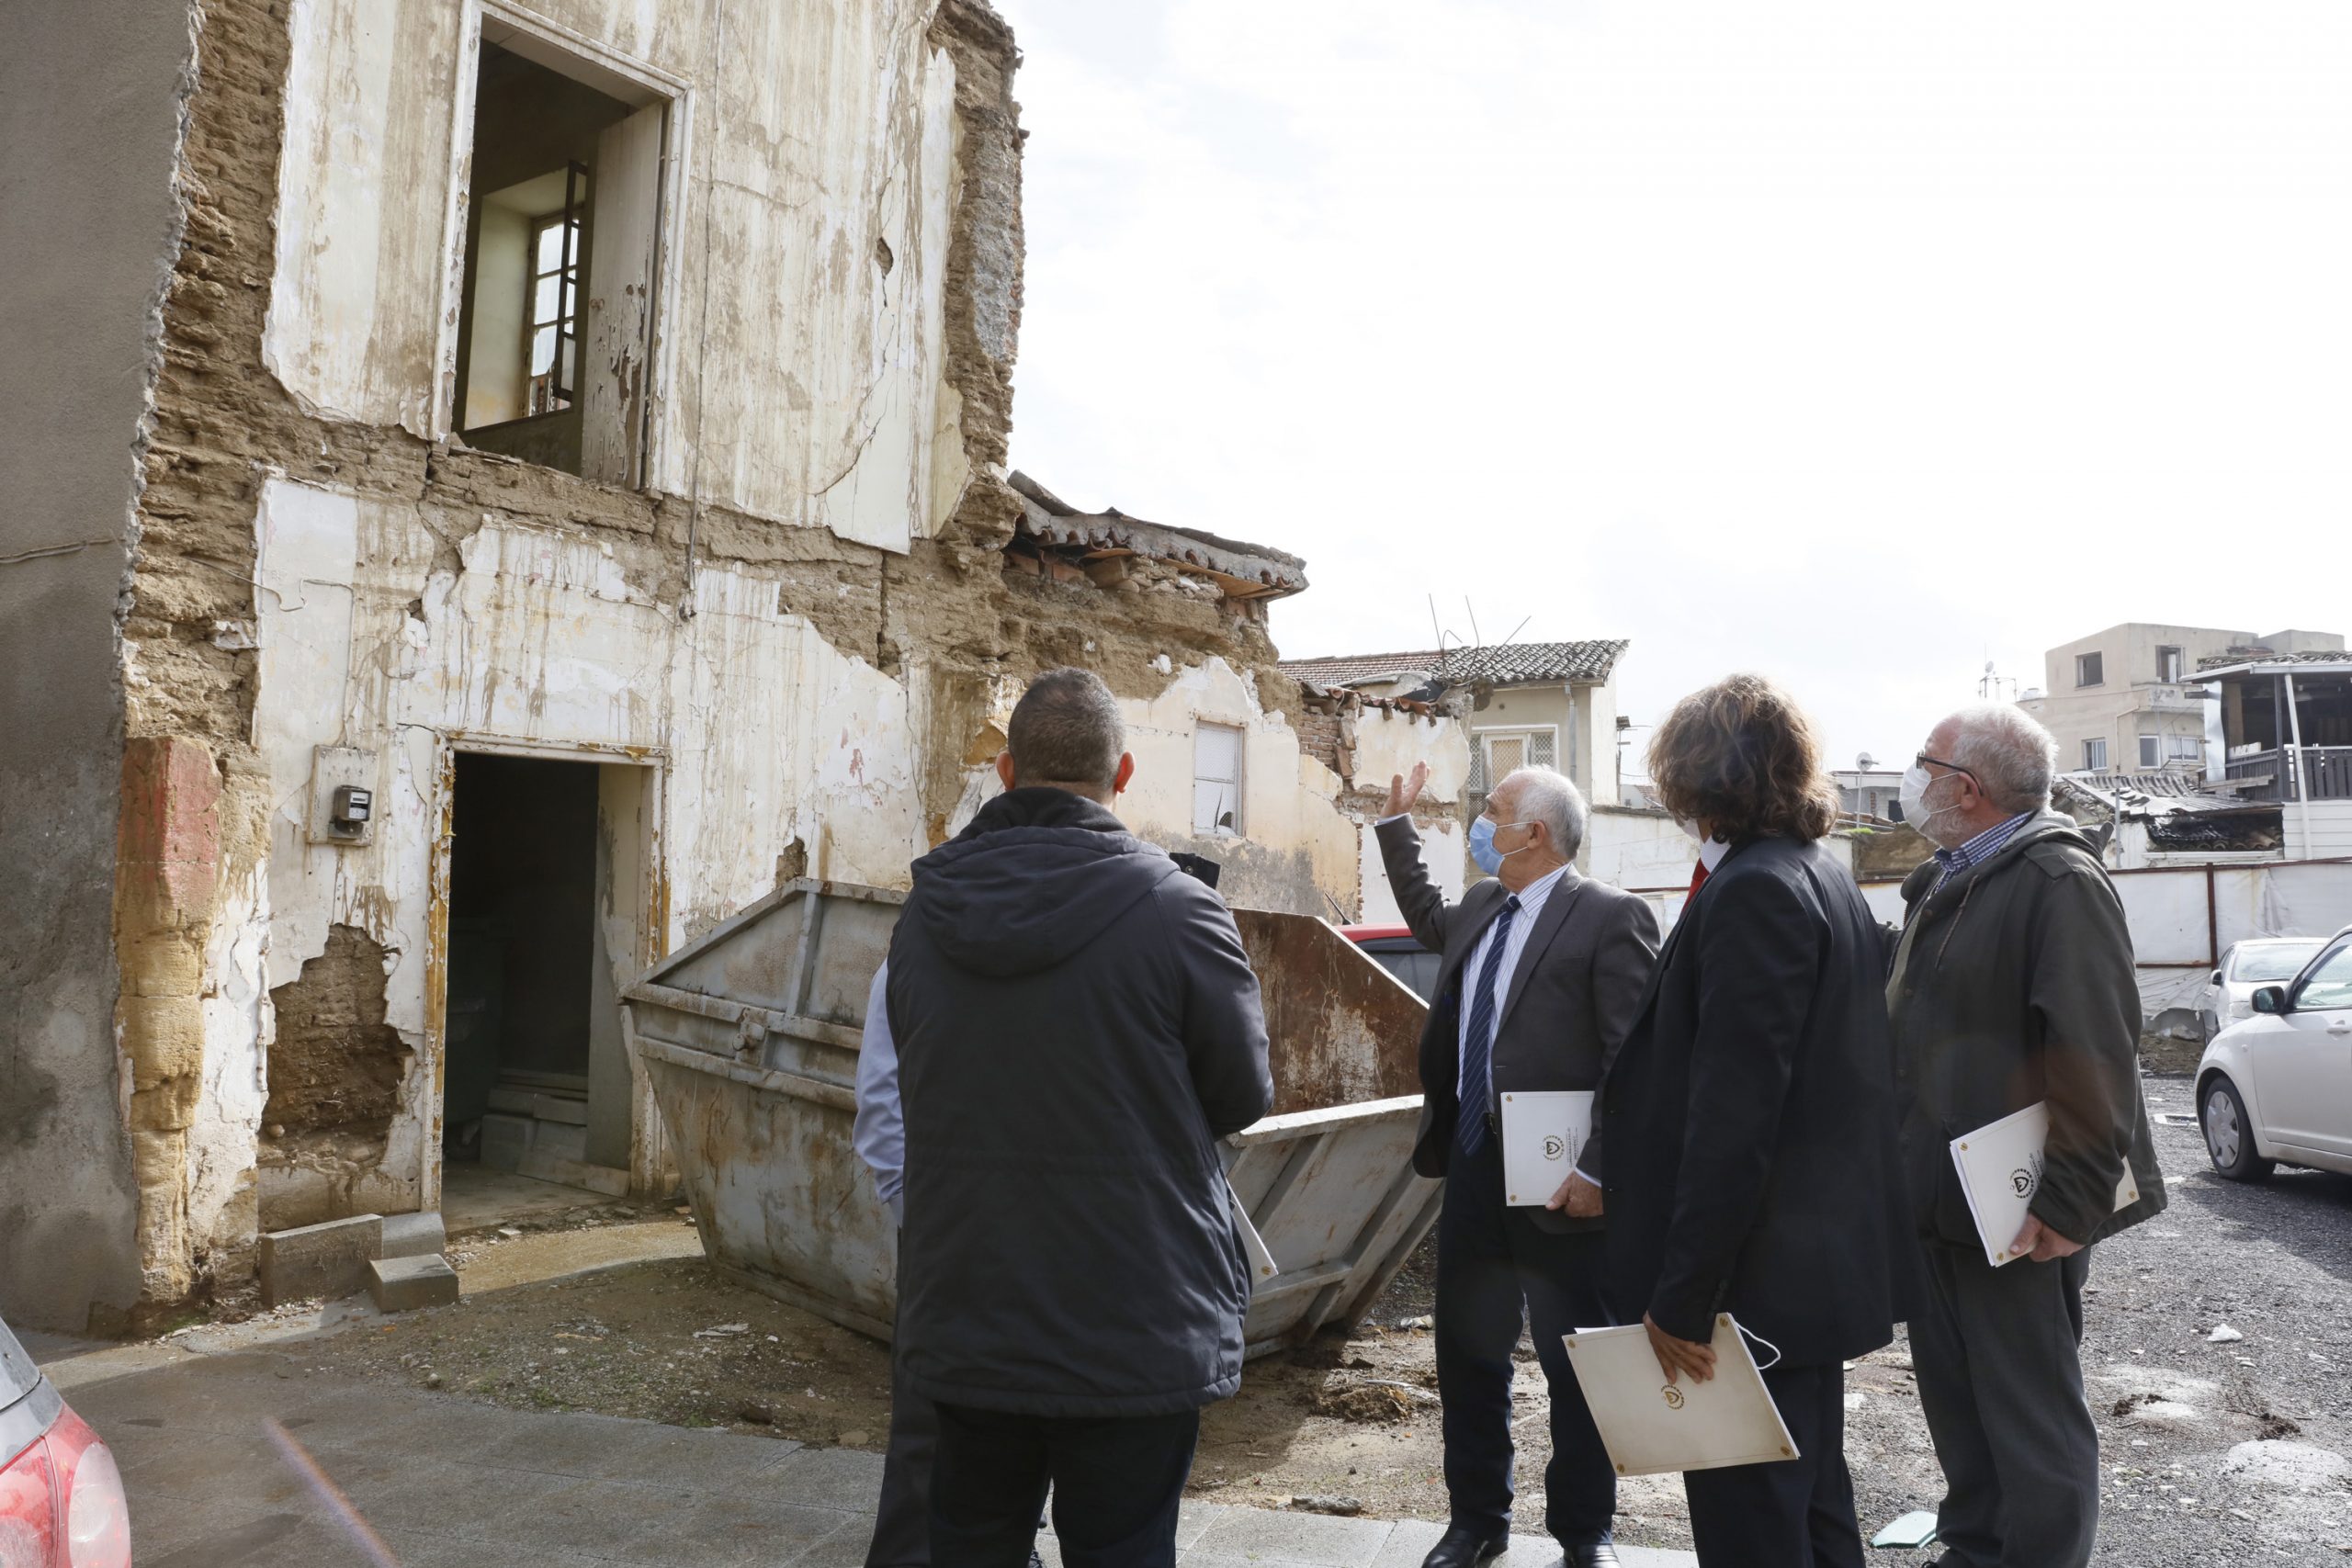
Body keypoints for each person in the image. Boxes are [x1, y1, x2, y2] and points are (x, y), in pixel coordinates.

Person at [877, 667, 1273, 1568]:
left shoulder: (924, 917)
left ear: (1007, 771)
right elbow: (1242, 1095)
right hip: (1134, 1316)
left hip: (969, 1306)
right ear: (1123, 775)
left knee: (970, 1546)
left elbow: (916, 1074)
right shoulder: (1181, 914)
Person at [1596, 674, 1911, 1568]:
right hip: (1800, 1272)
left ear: (1693, 776)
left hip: (1752, 1288)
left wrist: (1683, 1300)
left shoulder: (1757, 891)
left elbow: (1736, 1116)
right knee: (1812, 1511)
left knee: (1754, 1530)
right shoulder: (1819, 875)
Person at [1887, 705, 2165, 1568]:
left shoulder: (2055, 881)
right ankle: (1973, 1547)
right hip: (1941, 1194)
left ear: (1964, 789)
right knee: (1960, 1401)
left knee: (2029, 1410)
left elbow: (2097, 1050)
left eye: (1922, 762)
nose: (1913, 777)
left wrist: (2070, 1200)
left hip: (2019, 1205)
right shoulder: (1955, 877)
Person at [1377, 762, 1659, 1568]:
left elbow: (1631, 1061)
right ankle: (1477, 1522)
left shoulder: (1608, 917)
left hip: (1564, 1184)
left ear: (1533, 831)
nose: (1480, 821)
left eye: (1491, 811)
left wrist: (1602, 1170)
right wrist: (1397, 829)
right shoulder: (1479, 906)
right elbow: (1427, 916)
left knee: (1579, 1367)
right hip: (1473, 1164)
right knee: (1469, 1356)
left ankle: (1584, 1531)